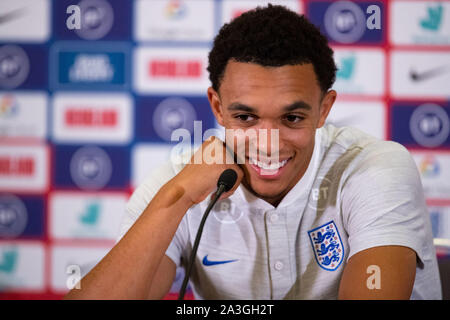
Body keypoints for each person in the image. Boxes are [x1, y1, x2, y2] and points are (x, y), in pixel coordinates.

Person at [65, 4, 442, 300]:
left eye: (292, 117)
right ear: (217, 107)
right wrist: (176, 198)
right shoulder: (179, 181)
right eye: (245, 117)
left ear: (324, 109)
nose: (268, 141)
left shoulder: (374, 168)